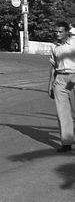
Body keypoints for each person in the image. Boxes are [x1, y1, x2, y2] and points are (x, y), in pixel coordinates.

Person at [48, 20, 75, 152]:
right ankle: (66, 142)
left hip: (73, 77)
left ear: (67, 32)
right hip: (60, 79)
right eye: (56, 31)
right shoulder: (54, 46)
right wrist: (50, 84)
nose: (57, 34)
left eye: (60, 31)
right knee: (62, 112)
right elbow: (53, 66)